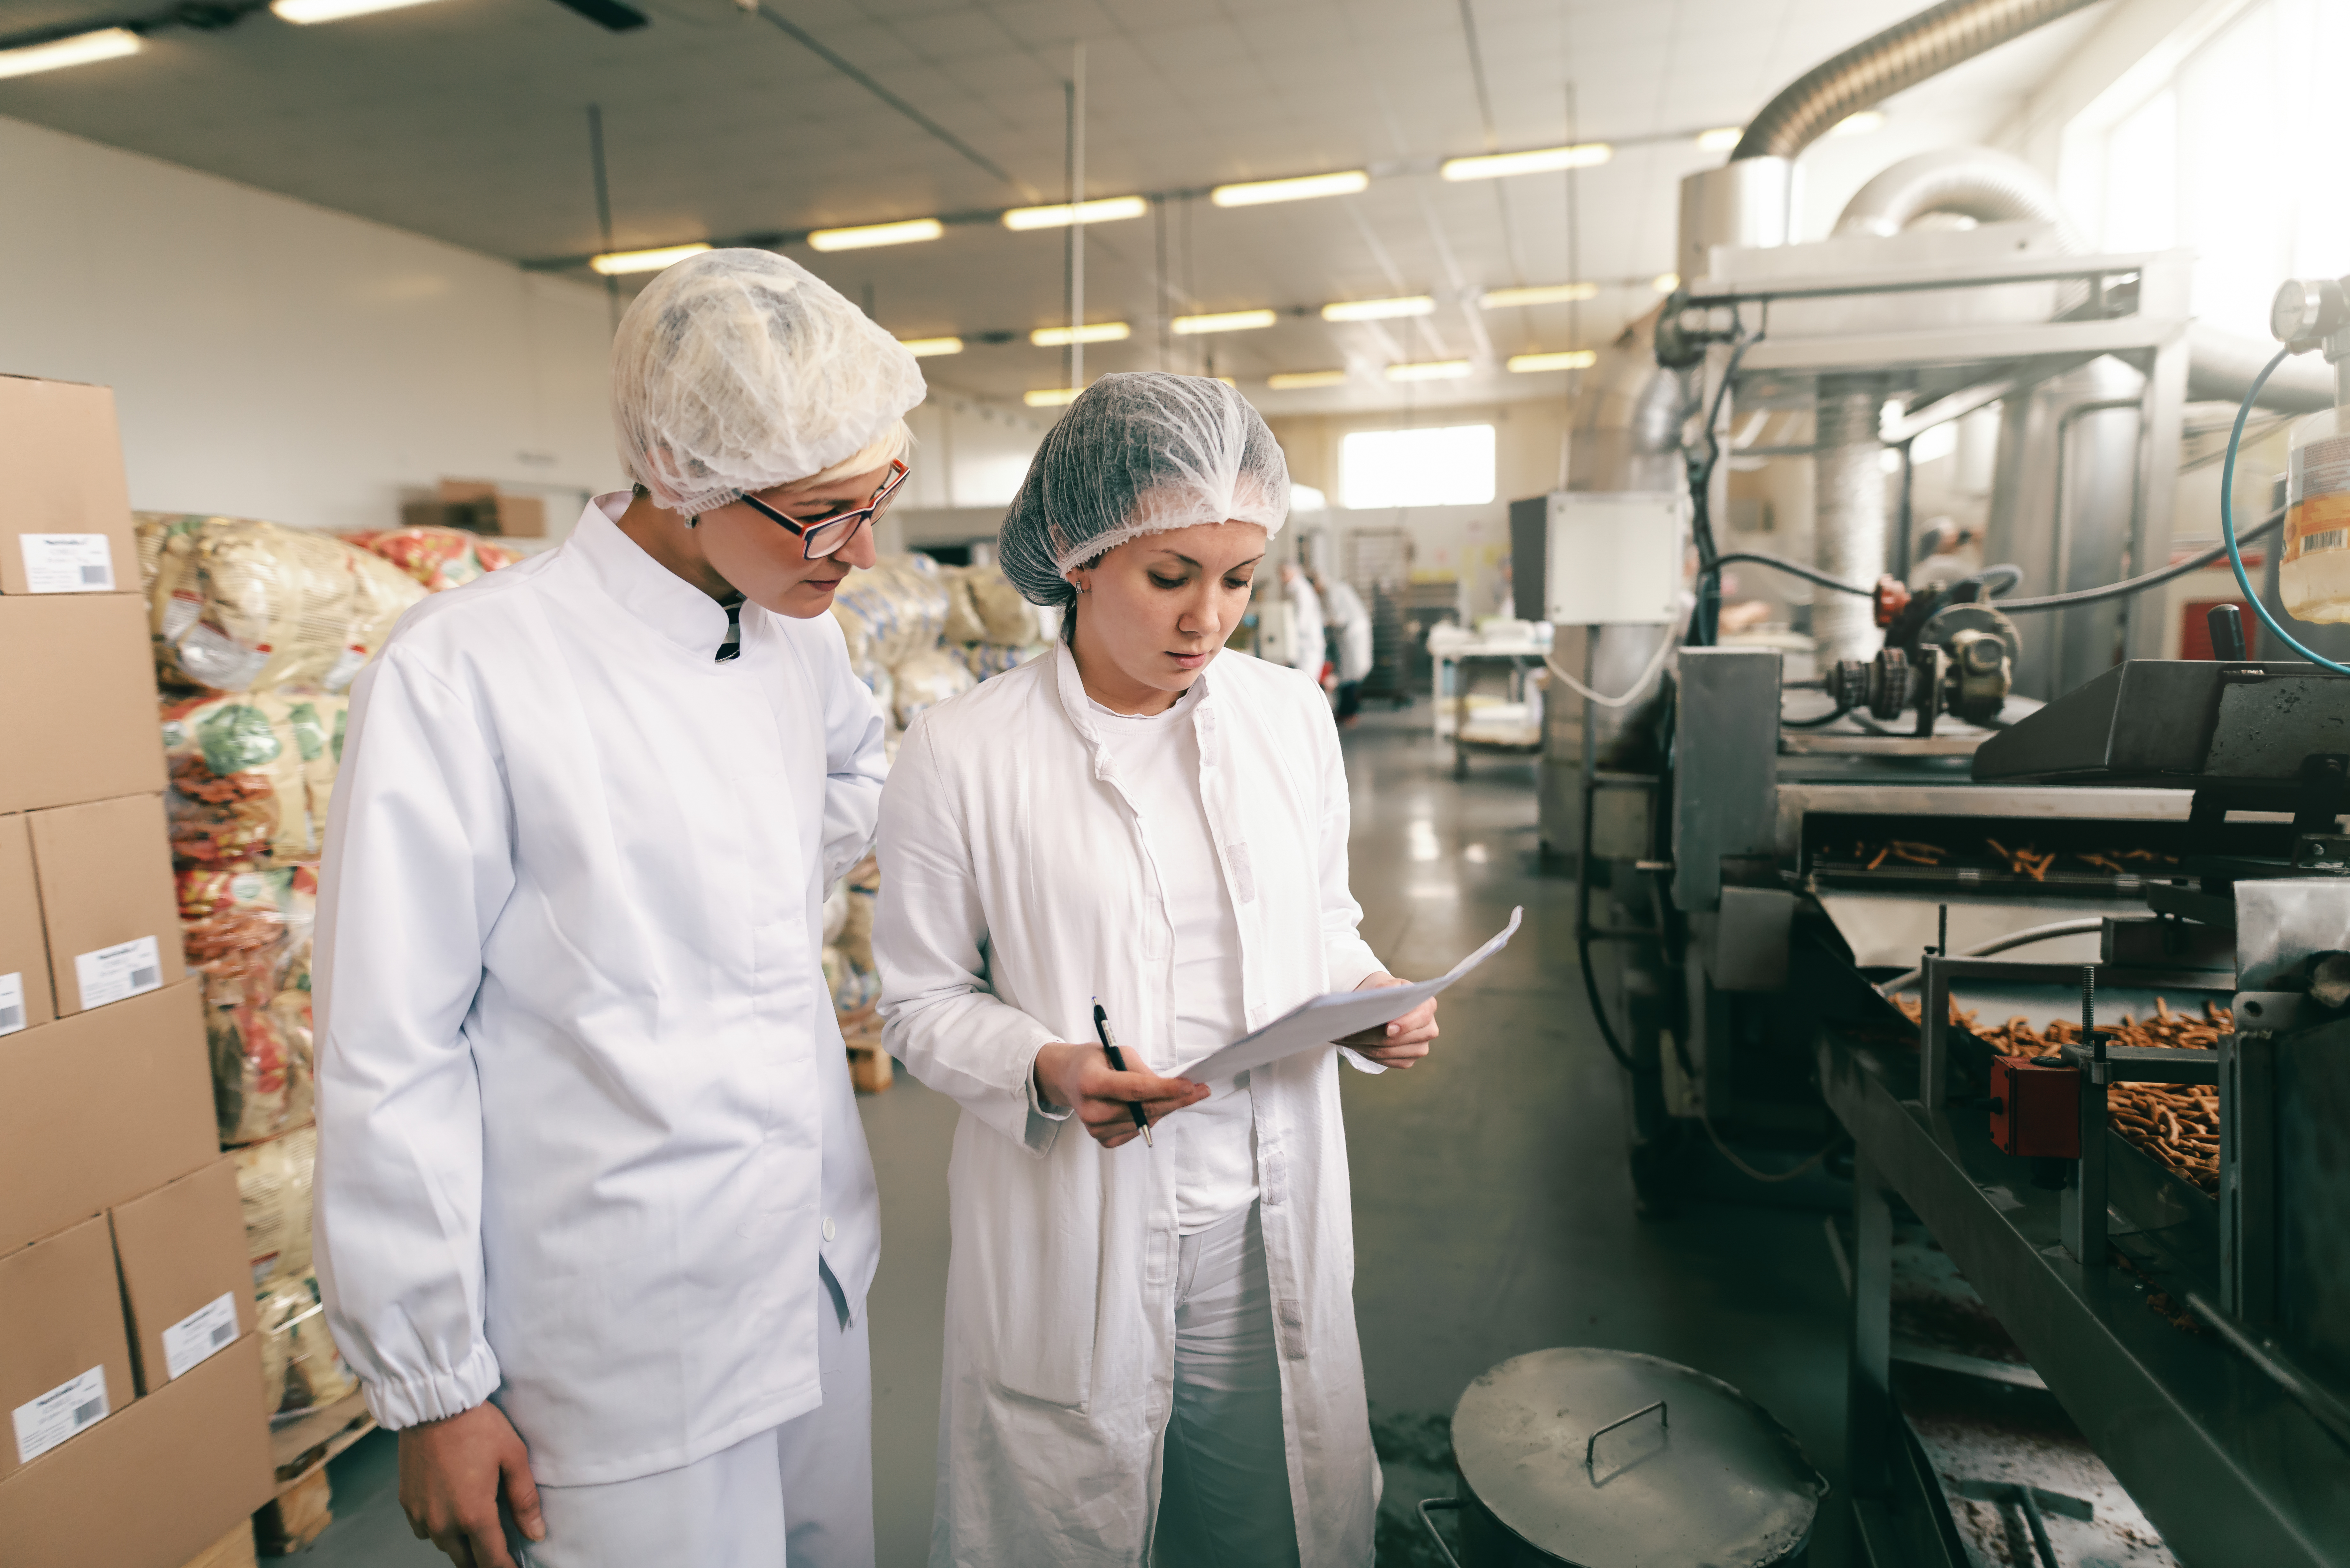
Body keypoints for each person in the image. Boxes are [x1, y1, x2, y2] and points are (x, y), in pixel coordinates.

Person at [314, 249, 919, 1568]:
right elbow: (387, 1049)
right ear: (687, 475)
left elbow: (855, 771)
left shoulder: (794, 633)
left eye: (879, 495)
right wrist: (432, 1388)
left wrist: (752, 868)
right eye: (826, 510)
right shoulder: (467, 671)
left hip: (811, 1268)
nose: (861, 551)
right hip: (617, 1331)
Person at [873, 372, 1441, 1566]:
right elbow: (918, 1002)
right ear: (1077, 557)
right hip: (1081, 1213)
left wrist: (1367, 1000)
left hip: (1263, 1209)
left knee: (1266, 1518)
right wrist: (1047, 1065)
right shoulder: (964, 750)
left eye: (1238, 578)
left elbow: (1322, 917)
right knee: (1066, 1515)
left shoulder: (1290, 718)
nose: (1209, 619)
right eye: (1171, 576)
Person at [1315, 570, 1373, 722]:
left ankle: (1349, 712)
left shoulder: (1334, 592)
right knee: (1348, 673)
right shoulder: (1335, 590)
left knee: (1350, 674)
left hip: (1353, 635)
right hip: (1350, 636)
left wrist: (1324, 622)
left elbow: (1338, 617)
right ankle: (1347, 711)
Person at [1280, 557, 1327, 686]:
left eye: (1283, 573)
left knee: (1306, 686)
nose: (1281, 577)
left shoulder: (1302, 591)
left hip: (1308, 647)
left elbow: (1301, 623)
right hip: (1301, 647)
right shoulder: (1293, 589)